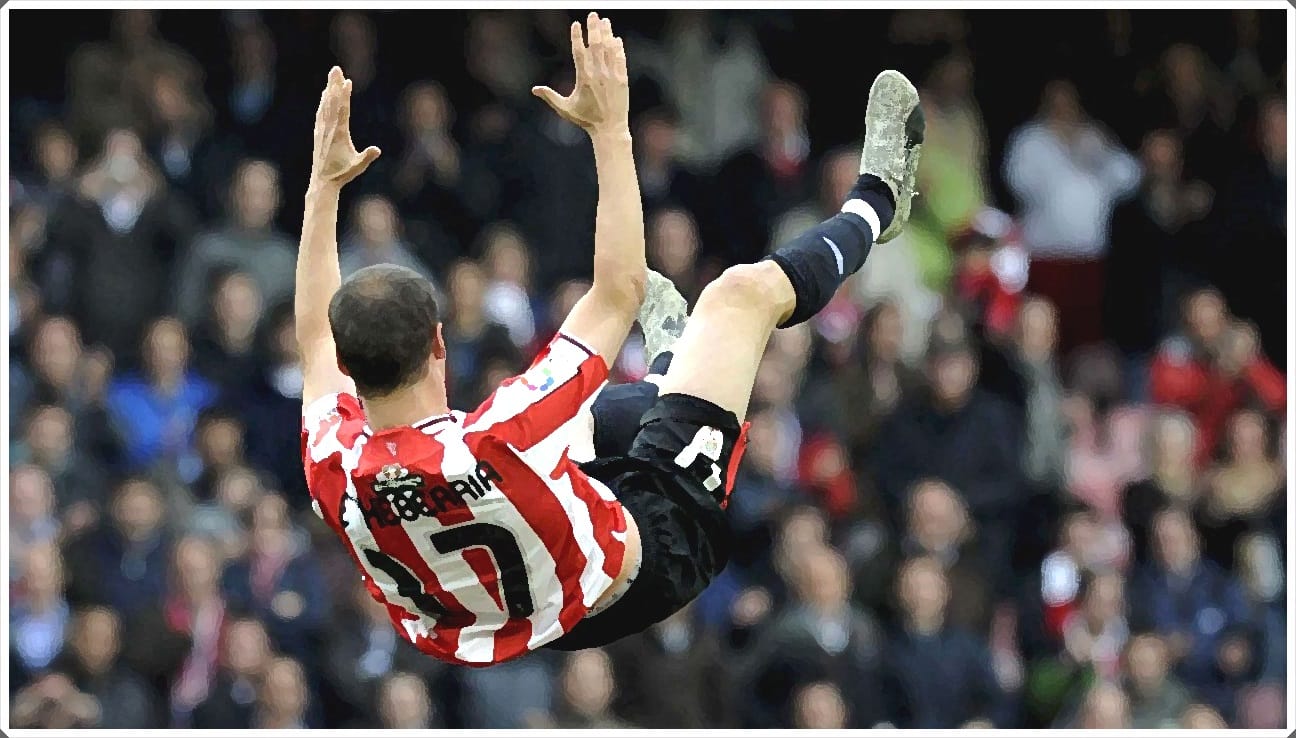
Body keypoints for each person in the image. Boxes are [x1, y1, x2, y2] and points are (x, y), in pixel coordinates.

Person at [298, 13, 921, 666]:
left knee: (587, 420)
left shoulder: (333, 461)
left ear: (349, 363)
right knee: (738, 300)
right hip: (655, 553)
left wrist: (320, 188)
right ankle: (878, 201)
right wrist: (609, 127)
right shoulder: (501, 433)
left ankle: (668, 366)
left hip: (527, 615)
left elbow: (313, 337)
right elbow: (620, 288)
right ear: (438, 345)